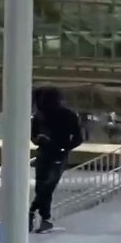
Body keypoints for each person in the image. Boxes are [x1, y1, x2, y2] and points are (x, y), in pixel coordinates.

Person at [29, 86, 83, 233]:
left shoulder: (39, 116)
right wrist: (66, 147)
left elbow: (32, 137)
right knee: (46, 187)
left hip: (46, 154)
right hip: (55, 154)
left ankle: (35, 213)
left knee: (44, 187)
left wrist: (40, 140)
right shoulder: (67, 115)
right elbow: (79, 138)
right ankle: (42, 218)